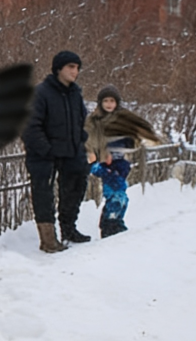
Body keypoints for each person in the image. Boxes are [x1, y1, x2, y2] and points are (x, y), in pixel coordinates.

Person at [22, 50, 91, 253]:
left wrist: (81, 141)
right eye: (71, 67)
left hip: (71, 151)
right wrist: (46, 149)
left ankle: (69, 229)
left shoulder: (75, 94)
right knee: (43, 195)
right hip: (44, 155)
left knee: (75, 187)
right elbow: (29, 126)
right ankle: (48, 240)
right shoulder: (41, 93)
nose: (75, 71)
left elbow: (80, 121)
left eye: (77, 68)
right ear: (59, 68)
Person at [86, 84, 161, 238]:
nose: (109, 104)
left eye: (112, 101)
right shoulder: (95, 121)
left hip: (120, 163)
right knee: (114, 195)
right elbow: (89, 141)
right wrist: (96, 156)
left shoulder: (122, 120)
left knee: (122, 196)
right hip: (104, 164)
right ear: (100, 102)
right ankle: (109, 225)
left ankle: (116, 221)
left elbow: (132, 139)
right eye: (105, 101)